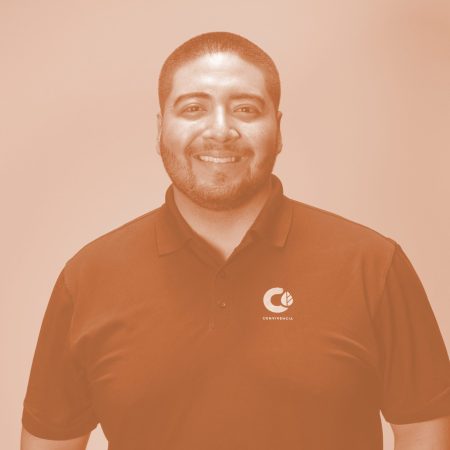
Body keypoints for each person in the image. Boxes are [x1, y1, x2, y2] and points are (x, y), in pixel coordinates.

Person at [21, 31, 450, 450]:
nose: (220, 130)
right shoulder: (88, 278)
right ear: (161, 128)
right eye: (194, 108)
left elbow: (423, 430)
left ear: (277, 129)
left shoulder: (373, 265)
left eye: (245, 108)